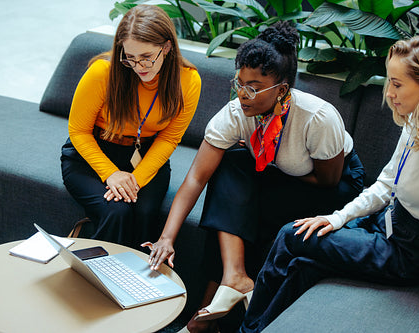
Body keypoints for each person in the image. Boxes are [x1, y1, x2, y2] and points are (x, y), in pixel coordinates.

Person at [143, 21, 365, 332]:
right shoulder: (236, 114)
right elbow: (196, 177)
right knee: (230, 168)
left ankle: (206, 317)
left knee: (243, 214)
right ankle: (231, 281)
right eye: (239, 83)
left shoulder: (317, 118)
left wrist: (267, 163)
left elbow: (328, 181)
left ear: (282, 90)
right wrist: (166, 238)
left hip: (333, 184)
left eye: (254, 87)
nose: (243, 94)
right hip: (281, 174)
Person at [239, 35, 419, 332]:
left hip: (405, 252)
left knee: (291, 235)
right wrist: (336, 218)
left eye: (398, 84)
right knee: (302, 264)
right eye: (388, 81)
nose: (389, 93)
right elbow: (385, 184)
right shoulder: (416, 122)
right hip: (385, 221)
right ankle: (256, 327)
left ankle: (244, 329)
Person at [60, 5, 201, 248]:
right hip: (93, 154)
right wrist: (111, 174)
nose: (139, 66)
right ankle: (98, 276)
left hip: (145, 156)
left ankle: (137, 280)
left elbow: (169, 139)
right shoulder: (103, 72)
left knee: (145, 212)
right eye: (130, 58)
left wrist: (133, 181)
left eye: (147, 57)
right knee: (117, 211)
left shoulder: (188, 80)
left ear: (166, 47)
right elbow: (79, 131)